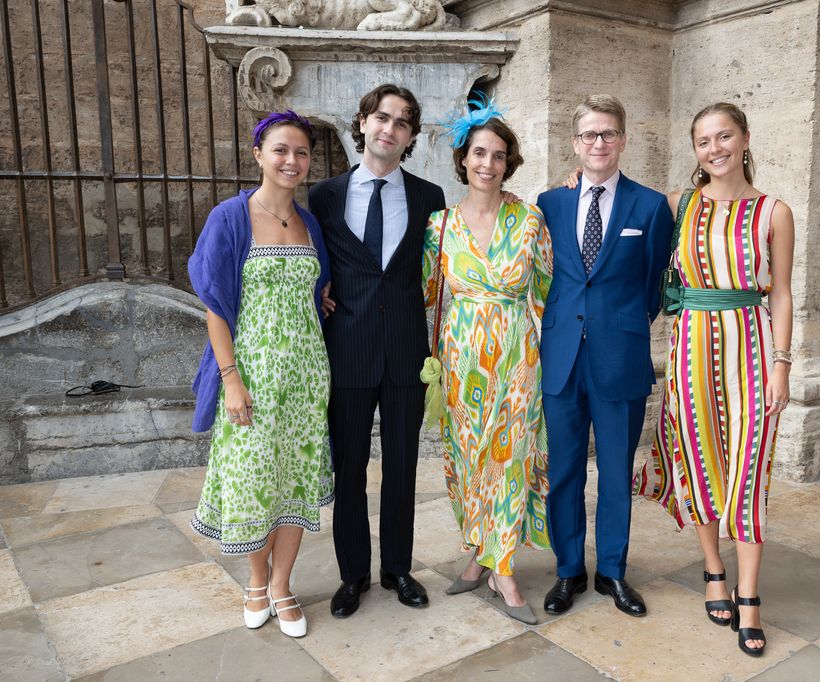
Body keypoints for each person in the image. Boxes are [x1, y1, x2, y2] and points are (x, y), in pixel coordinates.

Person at [633, 102, 794, 657]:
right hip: (692, 350)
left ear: (745, 138)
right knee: (698, 462)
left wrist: (781, 364)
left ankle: (749, 596)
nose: (715, 148)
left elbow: (782, 294)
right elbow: (621, 212)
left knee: (750, 467)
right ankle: (713, 569)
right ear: (695, 150)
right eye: (704, 141)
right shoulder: (679, 205)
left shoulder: (774, 211)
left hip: (751, 349)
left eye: (724, 136)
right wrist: (573, 178)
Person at [188, 110, 333, 638]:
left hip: (307, 375)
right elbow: (214, 306)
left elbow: (317, 288)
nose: (292, 161)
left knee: (295, 479)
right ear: (258, 155)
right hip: (251, 374)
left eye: (301, 152)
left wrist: (325, 297)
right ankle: (255, 581)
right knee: (252, 482)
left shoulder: (309, 220)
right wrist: (230, 379)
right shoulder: (230, 217)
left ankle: (282, 585)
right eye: (281, 150)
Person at [308, 84, 446, 618]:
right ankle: (352, 575)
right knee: (349, 467)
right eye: (382, 118)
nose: (390, 129)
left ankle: (397, 569)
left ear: (410, 136)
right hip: (347, 350)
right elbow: (311, 258)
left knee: (404, 466)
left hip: (408, 352)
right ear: (362, 122)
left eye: (403, 122)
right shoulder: (325, 196)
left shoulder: (429, 197)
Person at [537, 94, 674, 618]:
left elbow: (655, 282)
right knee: (565, 470)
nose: (599, 142)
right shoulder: (550, 204)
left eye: (608, 133)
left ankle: (612, 571)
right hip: (562, 356)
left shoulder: (649, 205)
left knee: (616, 471)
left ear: (623, 140)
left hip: (621, 357)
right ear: (575, 144)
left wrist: (622, 327)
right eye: (590, 134)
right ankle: (568, 569)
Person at [422, 100, 552, 624]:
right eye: (479, 152)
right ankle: (478, 552)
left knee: (510, 461)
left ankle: (503, 568)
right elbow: (426, 293)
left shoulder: (530, 220)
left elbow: (548, 290)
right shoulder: (440, 224)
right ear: (464, 158)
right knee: (468, 461)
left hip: (517, 360)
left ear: (508, 162)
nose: (488, 164)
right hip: (460, 363)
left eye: (498, 155)